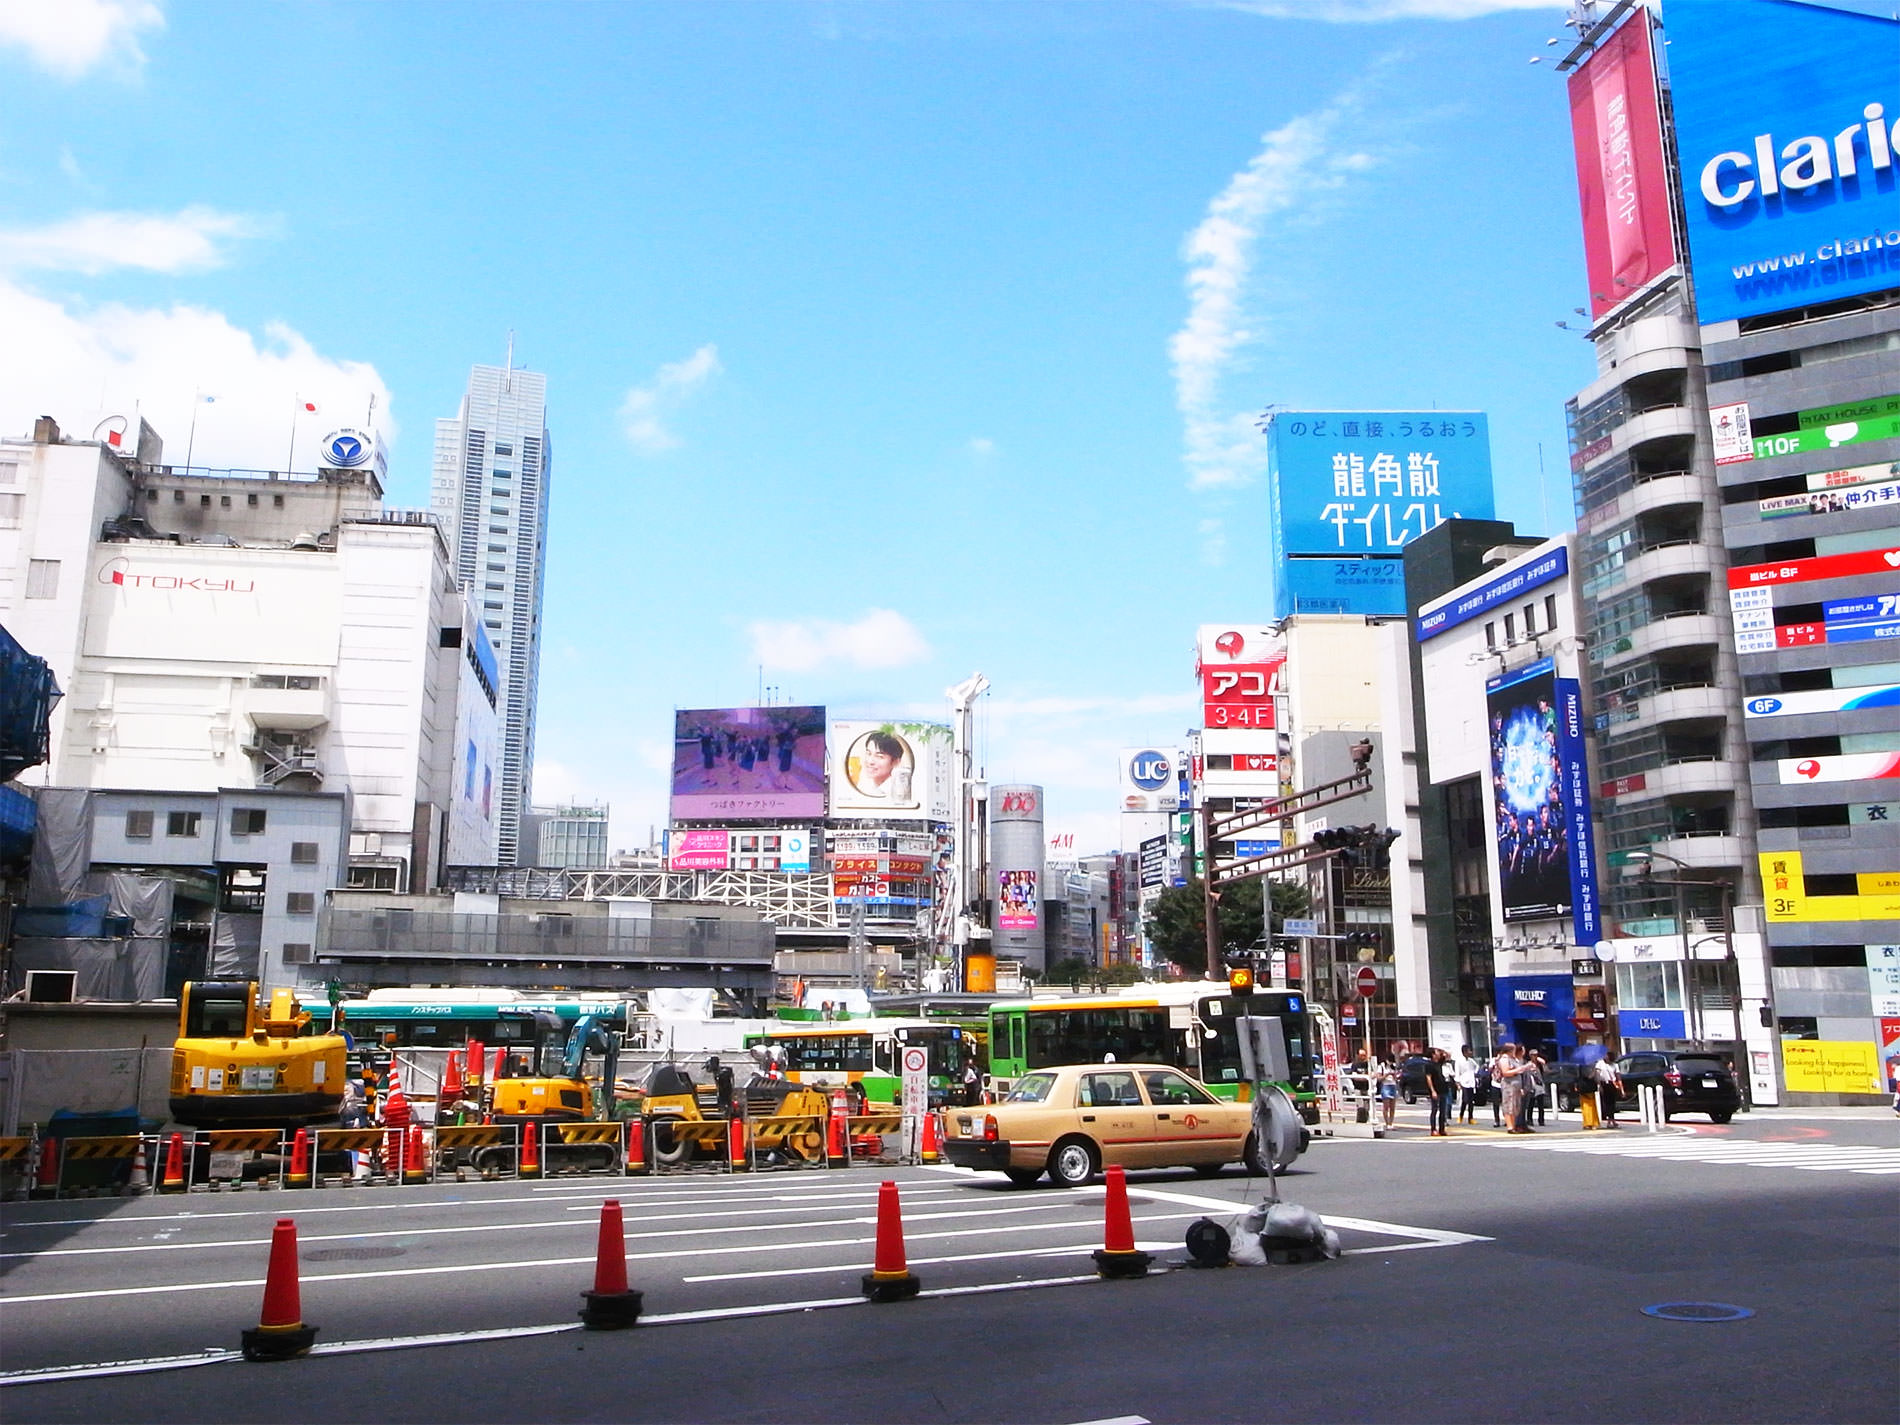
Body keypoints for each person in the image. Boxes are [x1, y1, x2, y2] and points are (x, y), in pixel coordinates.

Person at [854, 731, 906, 797]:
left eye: (879, 756)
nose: (870, 761)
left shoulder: (899, 792)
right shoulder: (864, 785)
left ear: (896, 762)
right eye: (869, 753)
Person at [1592, 1053, 1625, 1128]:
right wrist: (1599, 1085)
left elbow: (1618, 1077)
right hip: (1604, 1084)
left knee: (1612, 1103)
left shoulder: (1615, 1065)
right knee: (1606, 1103)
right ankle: (1609, 1121)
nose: (1605, 1057)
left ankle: (1612, 1120)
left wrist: (1622, 1089)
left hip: (1612, 1084)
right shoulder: (1600, 1063)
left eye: (1607, 1056)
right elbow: (1597, 1075)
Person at [1455, 1045, 1479, 1125]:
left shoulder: (1471, 1061)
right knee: (1465, 1100)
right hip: (1463, 1082)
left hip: (1471, 1082)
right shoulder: (1459, 1061)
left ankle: (1470, 1118)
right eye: (1469, 1051)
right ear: (1464, 1052)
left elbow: (1477, 1066)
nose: (1470, 1052)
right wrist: (1458, 1083)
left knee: (1471, 1101)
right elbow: (1457, 1072)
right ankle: (1461, 1116)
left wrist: (1475, 1073)